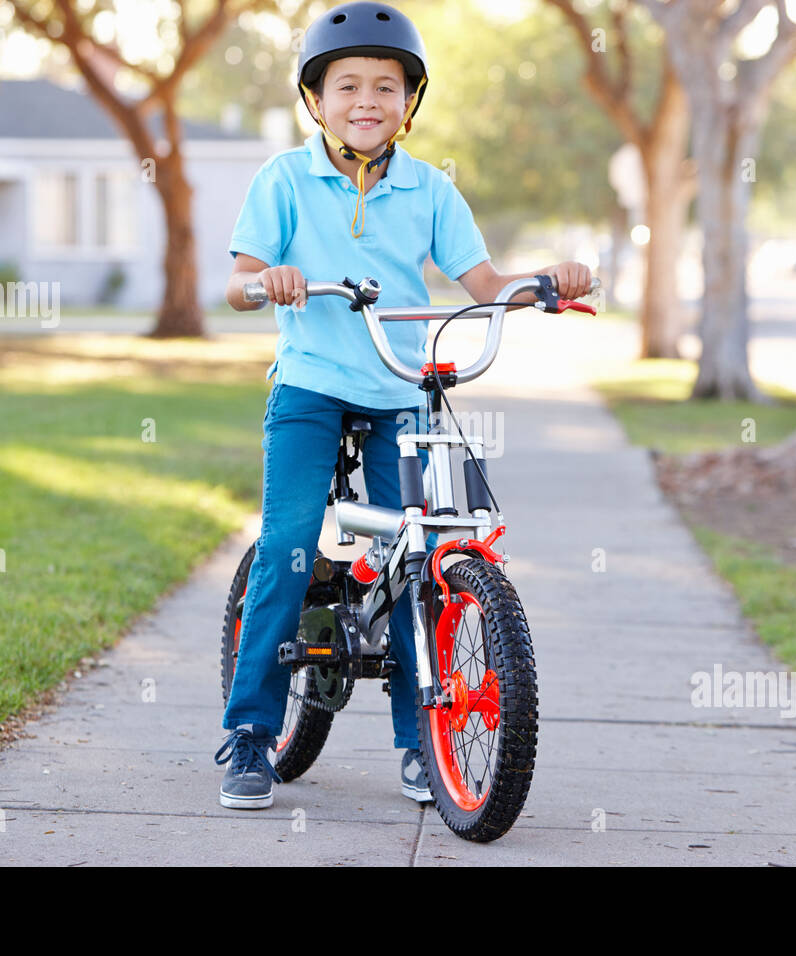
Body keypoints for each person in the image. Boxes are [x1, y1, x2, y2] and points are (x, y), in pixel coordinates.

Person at [217, 0, 594, 810]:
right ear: (315, 100)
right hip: (311, 384)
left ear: (409, 103)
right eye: (346, 85)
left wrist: (548, 285)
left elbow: (485, 288)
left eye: (385, 86)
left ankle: (418, 742)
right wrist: (268, 282)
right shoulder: (285, 178)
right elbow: (239, 280)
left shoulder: (429, 188)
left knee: (414, 561)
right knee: (288, 543)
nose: (366, 101)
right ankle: (250, 734)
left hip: (397, 389)